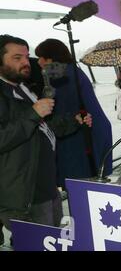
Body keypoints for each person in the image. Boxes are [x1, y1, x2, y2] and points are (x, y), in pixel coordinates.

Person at [0, 35, 92, 233]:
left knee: (53, 238)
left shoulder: (23, 88)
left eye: (26, 56)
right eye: (17, 58)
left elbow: (44, 127)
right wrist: (33, 114)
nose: (26, 63)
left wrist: (73, 121)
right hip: (26, 195)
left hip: (48, 186)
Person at [35, 38, 112, 189]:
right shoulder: (73, 70)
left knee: (78, 186)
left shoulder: (59, 76)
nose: (38, 62)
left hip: (79, 138)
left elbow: (58, 112)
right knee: (90, 184)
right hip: (93, 131)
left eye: (41, 58)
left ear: (51, 58)